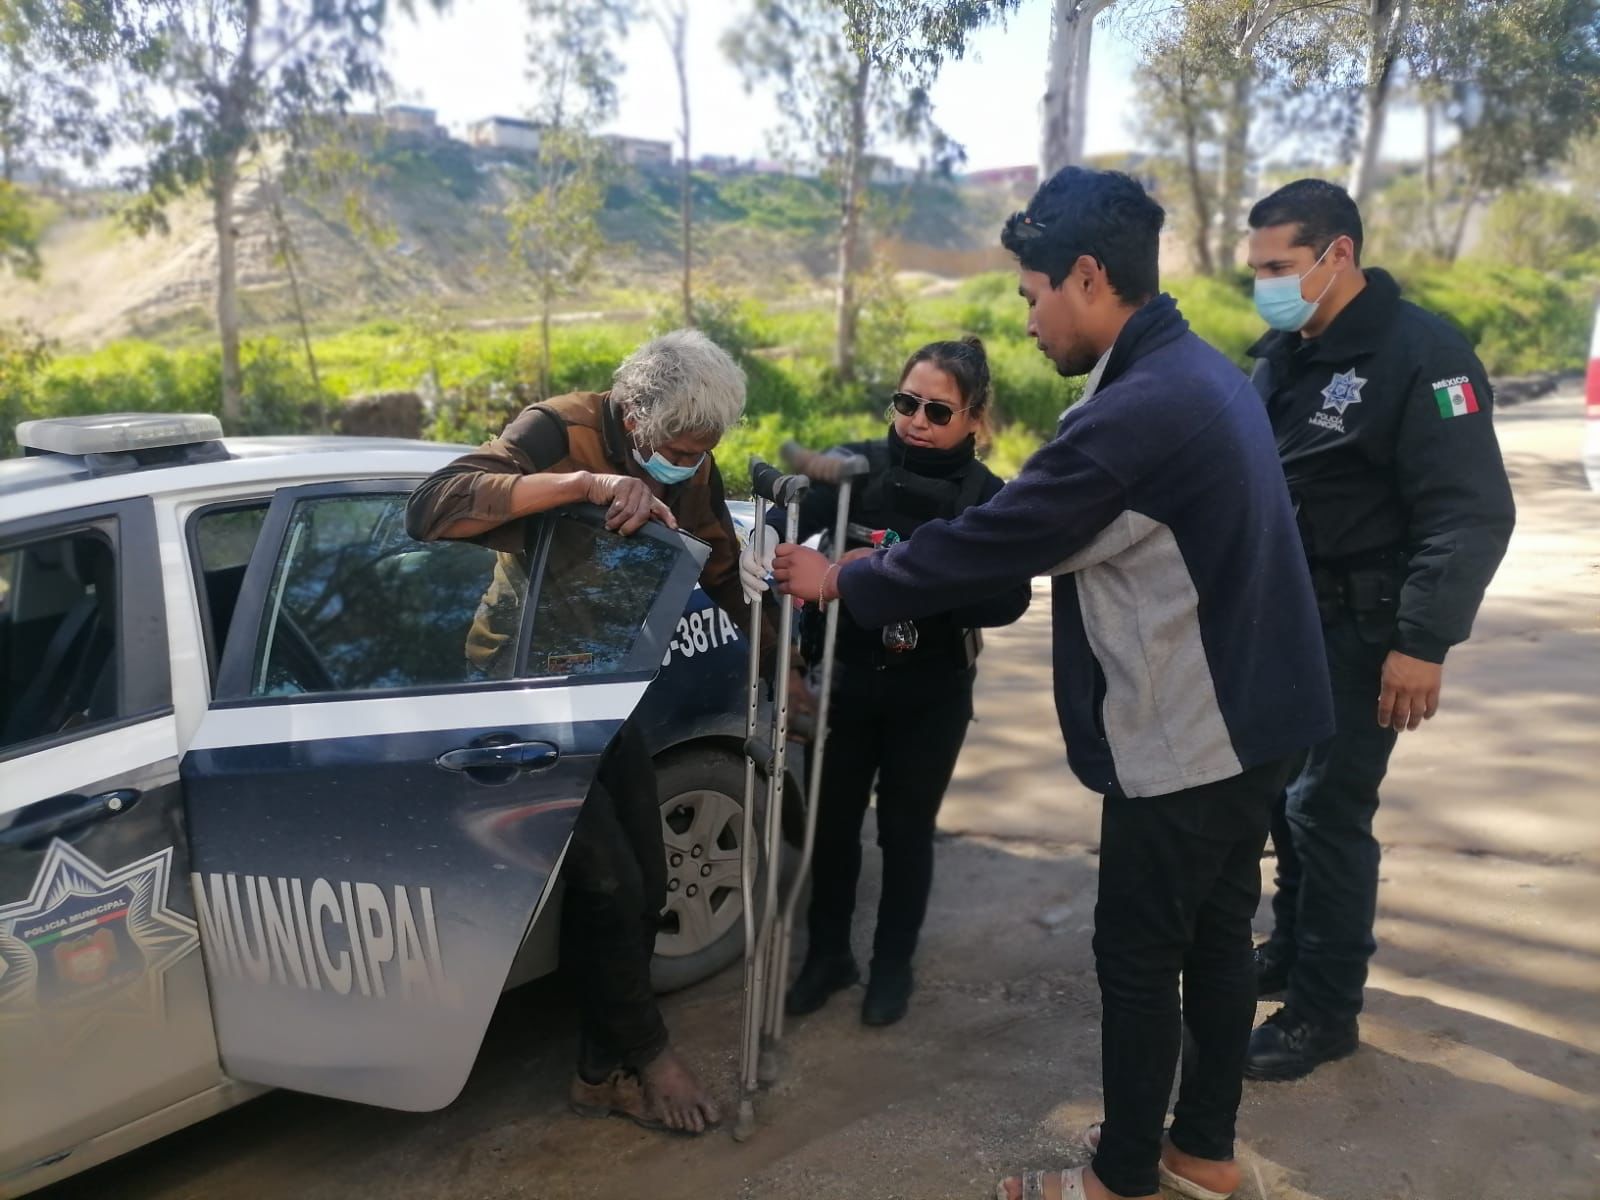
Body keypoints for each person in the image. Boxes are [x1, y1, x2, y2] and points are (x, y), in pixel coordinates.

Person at [774, 167, 1334, 1200]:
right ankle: (1202, 1154)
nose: (1026, 320)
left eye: (1032, 294)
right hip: (1261, 717)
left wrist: (844, 575)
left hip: (1194, 732)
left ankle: (1120, 1179)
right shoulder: (1196, 373)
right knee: (1213, 939)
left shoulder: (1139, 409)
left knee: (1136, 956)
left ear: (1086, 275)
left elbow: (1001, 540)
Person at [405, 328, 758, 1135]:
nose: (688, 461)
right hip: (518, 688)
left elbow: (715, 562)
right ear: (633, 414)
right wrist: (585, 485)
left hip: (606, 683)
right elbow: (434, 505)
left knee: (649, 885)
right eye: (675, 446)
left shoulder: (692, 461)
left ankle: (600, 1074)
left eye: (704, 450)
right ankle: (651, 1057)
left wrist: (769, 668)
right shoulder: (555, 429)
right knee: (607, 883)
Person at [1242, 180, 1515, 1081]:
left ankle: (1325, 1010)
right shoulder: (1284, 350)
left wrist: (1422, 642)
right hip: (1290, 619)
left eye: (1280, 267)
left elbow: (1469, 513)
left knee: (1330, 809)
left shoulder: (1424, 356)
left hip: (1369, 632)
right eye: (1258, 270)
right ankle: (1289, 950)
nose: (1267, 286)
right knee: (1287, 803)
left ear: (1338, 256)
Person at [741, 337, 1030, 1028]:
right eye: (906, 403)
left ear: (973, 421)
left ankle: (892, 964)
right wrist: (765, 544)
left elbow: (1011, 598)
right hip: (844, 679)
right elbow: (785, 515)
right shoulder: (852, 469)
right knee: (833, 827)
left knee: (905, 831)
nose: (916, 422)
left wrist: (908, 582)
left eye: (937, 410)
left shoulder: (986, 499)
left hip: (931, 691)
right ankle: (829, 955)